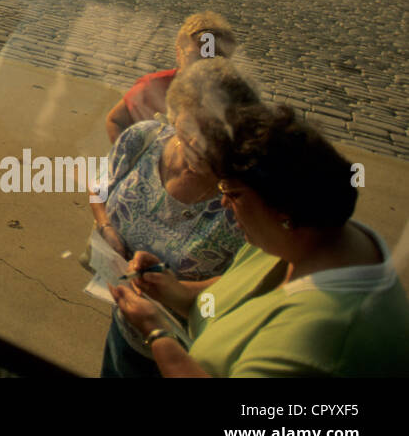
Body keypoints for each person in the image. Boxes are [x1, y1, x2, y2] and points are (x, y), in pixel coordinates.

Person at [113, 105, 409, 376]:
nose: (224, 203)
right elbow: (231, 294)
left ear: (283, 208)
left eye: (233, 194)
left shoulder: (323, 339)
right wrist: (174, 290)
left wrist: (157, 333)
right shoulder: (302, 235)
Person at [92, 58, 260, 377]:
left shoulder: (249, 196)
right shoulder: (141, 139)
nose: (198, 143)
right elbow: (100, 187)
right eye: (189, 128)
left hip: (193, 359)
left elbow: (257, 281)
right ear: (173, 114)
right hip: (124, 332)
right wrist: (106, 226)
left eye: (214, 134)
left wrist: (176, 291)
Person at [105, 11, 237, 142]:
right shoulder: (153, 86)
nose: (203, 66)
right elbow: (115, 121)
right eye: (196, 57)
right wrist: (126, 157)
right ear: (178, 52)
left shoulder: (234, 98)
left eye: (213, 59)